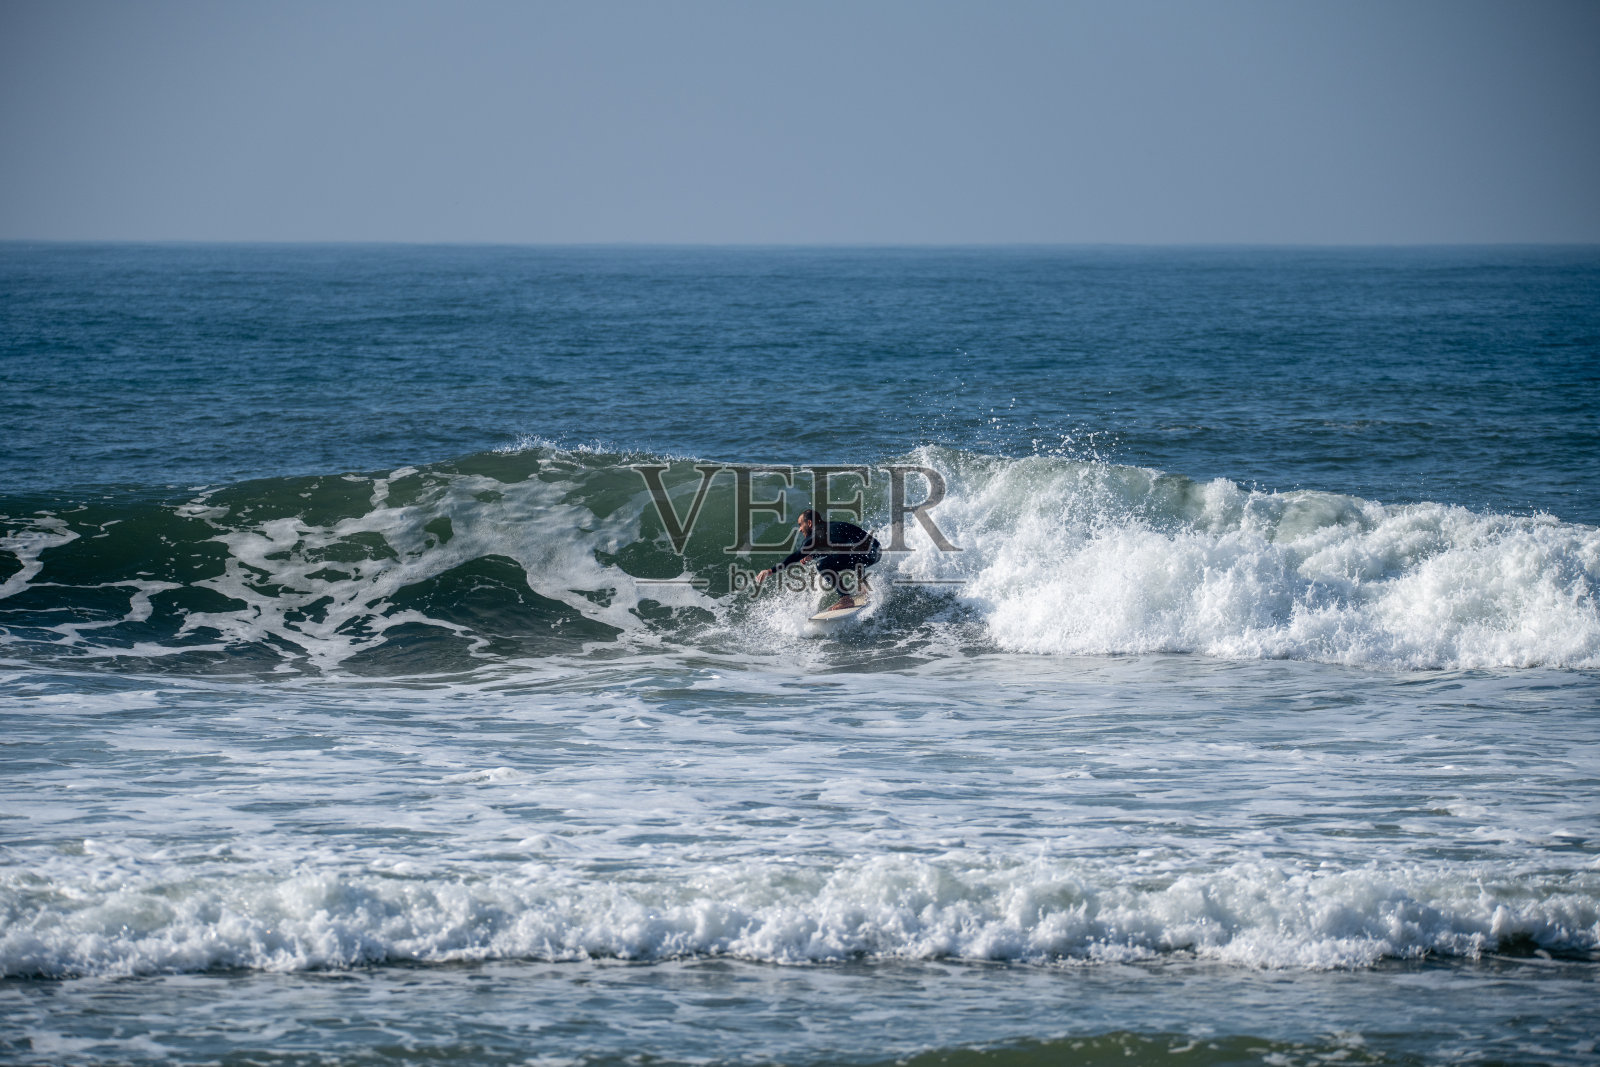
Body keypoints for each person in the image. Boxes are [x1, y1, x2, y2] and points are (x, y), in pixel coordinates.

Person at [755, 509, 881, 609]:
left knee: (822, 565)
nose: (799, 529)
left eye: (800, 525)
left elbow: (796, 556)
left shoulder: (815, 535)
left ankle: (846, 599)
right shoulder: (831, 527)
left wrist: (770, 571)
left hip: (864, 554)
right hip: (876, 551)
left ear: (809, 523)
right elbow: (842, 546)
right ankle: (864, 587)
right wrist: (814, 555)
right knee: (850, 553)